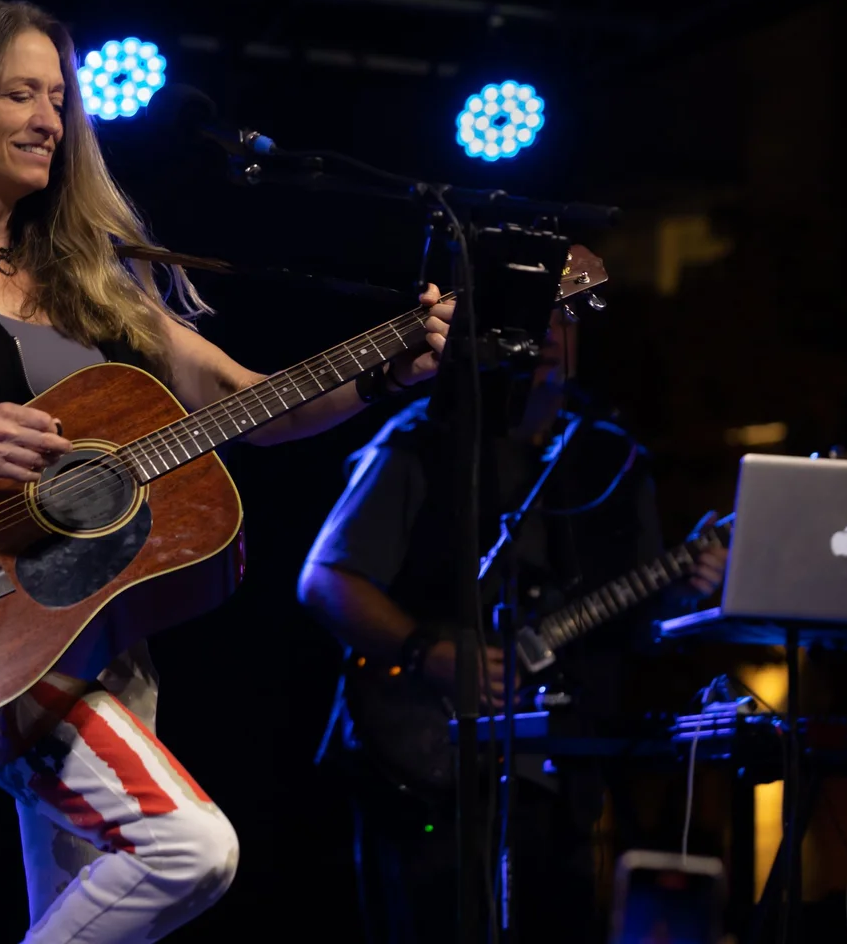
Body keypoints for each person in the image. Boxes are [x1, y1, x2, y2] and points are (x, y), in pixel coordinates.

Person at [0, 0, 453, 944]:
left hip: (93, 632)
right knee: (188, 849)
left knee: (94, 911)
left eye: (60, 101)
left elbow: (257, 405)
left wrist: (391, 367)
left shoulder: (94, 272)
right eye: (20, 95)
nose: (49, 120)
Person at [296, 276, 729, 943]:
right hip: (420, 770)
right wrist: (429, 652)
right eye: (537, 315)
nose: (552, 332)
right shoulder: (422, 440)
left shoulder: (613, 458)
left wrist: (686, 589)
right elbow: (325, 579)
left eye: (567, 317)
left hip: (560, 776)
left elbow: (638, 626)